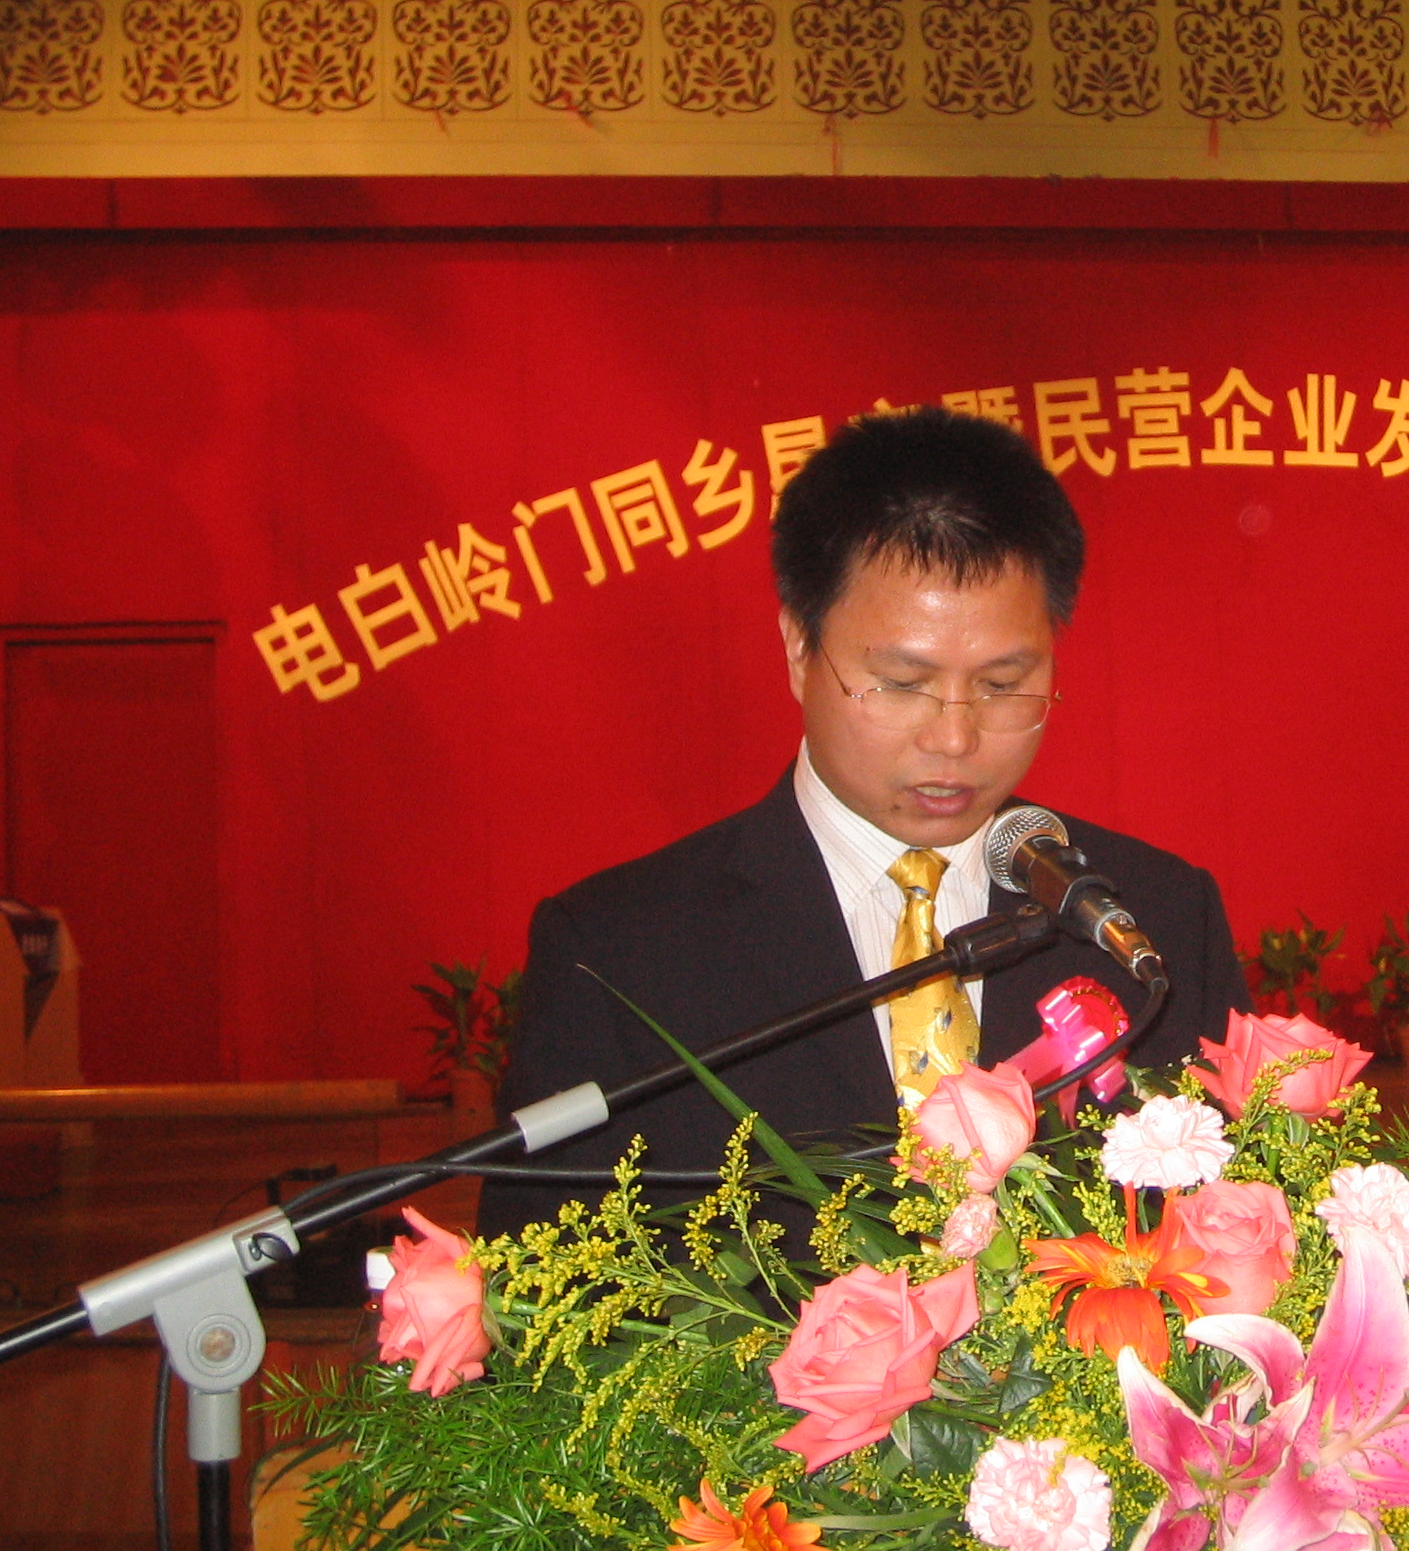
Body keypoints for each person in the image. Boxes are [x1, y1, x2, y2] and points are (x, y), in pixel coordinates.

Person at [479, 407, 1251, 1237]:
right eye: (903, 683)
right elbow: (542, 1285)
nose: (954, 738)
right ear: (799, 649)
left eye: (1002, 685)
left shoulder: (1154, 925)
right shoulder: (619, 956)